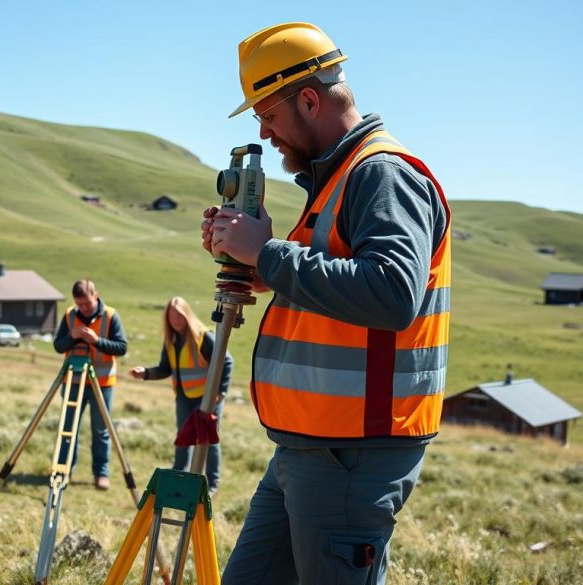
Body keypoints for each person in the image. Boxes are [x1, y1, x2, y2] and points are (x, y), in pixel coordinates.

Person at [202, 22, 451, 584]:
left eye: (267, 116)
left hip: (352, 455)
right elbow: (341, 284)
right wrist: (262, 267)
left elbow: (391, 293)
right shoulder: (339, 177)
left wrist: (267, 254)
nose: (265, 135)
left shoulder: (381, 174)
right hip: (307, 448)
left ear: (309, 100)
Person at [129, 297, 233, 495]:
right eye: (171, 315)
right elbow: (165, 368)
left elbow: (227, 361)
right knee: (183, 437)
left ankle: (212, 485)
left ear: (187, 314)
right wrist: (146, 373)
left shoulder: (203, 337)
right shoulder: (171, 341)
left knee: (209, 439)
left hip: (208, 396)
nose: (175, 319)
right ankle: (179, 477)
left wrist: (221, 391)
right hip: (184, 397)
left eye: (179, 314)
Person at [53, 280, 128, 490]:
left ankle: (101, 474)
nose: (84, 308)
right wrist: (72, 337)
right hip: (74, 382)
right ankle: (63, 472)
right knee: (68, 429)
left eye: (87, 303)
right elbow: (58, 346)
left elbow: (122, 347)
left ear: (96, 295)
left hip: (102, 384)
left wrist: (96, 341)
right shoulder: (69, 315)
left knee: (100, 430)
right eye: (80, 304)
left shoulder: (111, 316)